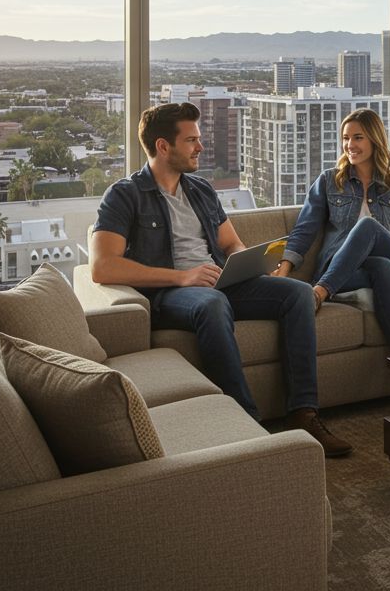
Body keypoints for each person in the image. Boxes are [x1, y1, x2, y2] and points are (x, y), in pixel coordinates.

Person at [91, 102, 352, 457]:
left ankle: (304, 413)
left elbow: (230, 242)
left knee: (297, 294)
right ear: (164, 146)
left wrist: (247, 263)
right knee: (212, 302)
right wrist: (183, 276)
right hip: (170, 293)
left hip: (219, 282)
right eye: (191, 140)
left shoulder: (200, 189)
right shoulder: (124, 195)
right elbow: (103, 266)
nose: (200, 147)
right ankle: (247, 423)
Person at [274, 108, 390, 355]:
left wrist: (387, 243)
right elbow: (304, 229)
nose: (349, 144)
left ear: (375, 139)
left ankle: (319, 292)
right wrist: (284, 269)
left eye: (358, 137)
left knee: (372, 231)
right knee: (383, 267)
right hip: (344, 271)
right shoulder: (329, 181)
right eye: (345, 138)